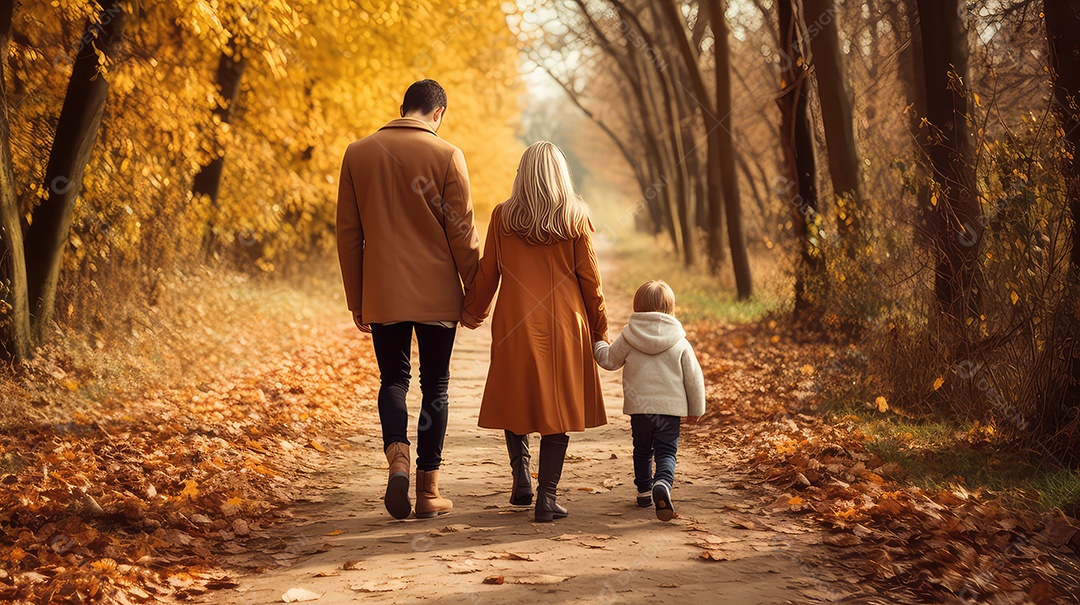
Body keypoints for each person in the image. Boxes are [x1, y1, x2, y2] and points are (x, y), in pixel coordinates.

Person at [336, 79, 480, 520]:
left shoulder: (357, 153)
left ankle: (396, 458)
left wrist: (356, 296)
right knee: (435, 385)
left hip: (382, 291)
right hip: (438, 295)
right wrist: (475, 292)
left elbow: (348, 234)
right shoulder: (447, 155)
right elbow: (462, 233)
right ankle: (427, 491)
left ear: (403, 107)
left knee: (393, 381)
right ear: (438, 113)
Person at [461, 141, 608, 523]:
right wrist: (599, 330)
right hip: (565, 325)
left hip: (514, 322)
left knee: (517, 395)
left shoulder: (504, 217)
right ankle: (547, 497)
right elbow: (591, 281)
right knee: (557, 407)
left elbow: (488, 272)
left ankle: (522, 477)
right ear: (561, 175)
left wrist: (472, 312)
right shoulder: (577, 217)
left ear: (522, 175)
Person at [593, 280, 705, 521]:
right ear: (670, 309)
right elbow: (694, 378)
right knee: (666, 452)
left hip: (640, 410)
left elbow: (609, 361)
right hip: (669, 410)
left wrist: (598, 343)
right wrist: (696, 409)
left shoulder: (629, 337)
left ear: (637, 307)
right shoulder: (680, 341)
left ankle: (644, 491)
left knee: (642, 450)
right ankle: (662, 483)